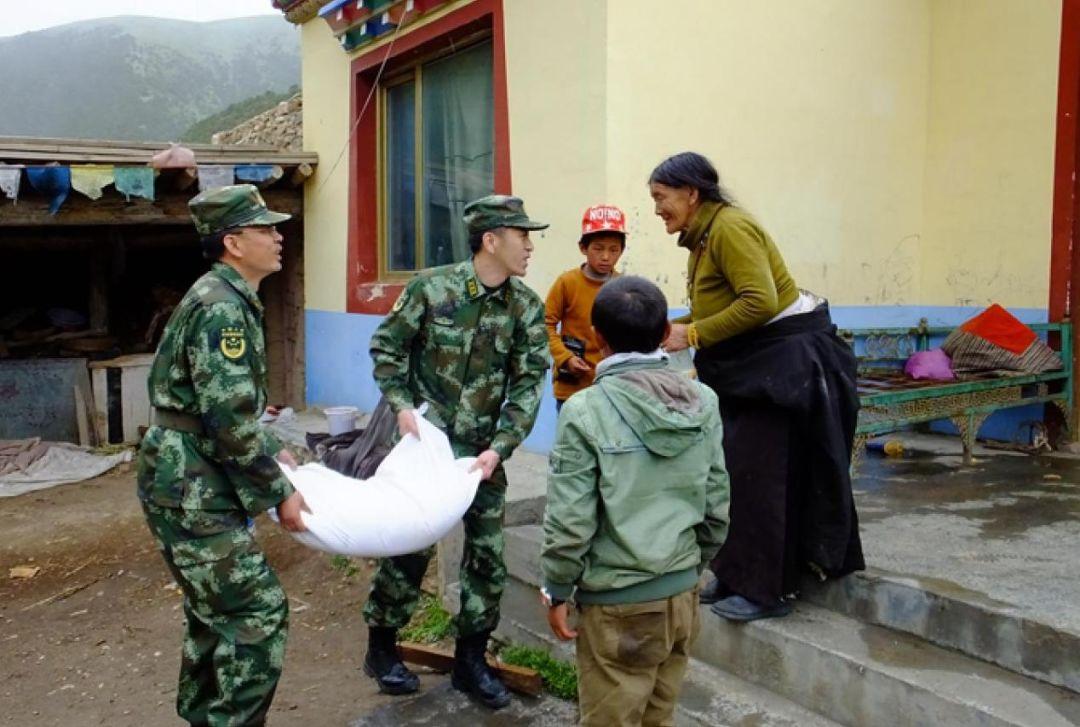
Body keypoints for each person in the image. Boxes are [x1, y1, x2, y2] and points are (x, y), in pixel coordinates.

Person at [649, 151, 864, 622]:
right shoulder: (704, 238)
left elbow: (760, 301)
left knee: (760, 479)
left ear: (692, 193)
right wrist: (674, 326)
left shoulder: (730, 229)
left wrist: (695, 334)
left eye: (662, 198)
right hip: (754, 370)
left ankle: (768, 590)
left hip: (781, 369)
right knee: (733, 477)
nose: (658, 210)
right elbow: (722, 304)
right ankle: (736, 572)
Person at [361, 194, 550, 710]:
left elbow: (529, 386)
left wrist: (500, 448)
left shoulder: (526, 308)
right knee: (408, 548)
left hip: (483, 455)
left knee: (486, 558)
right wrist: (401, 406)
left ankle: (470, 661)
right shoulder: (432, 288)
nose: (530, 246)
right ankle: (381, 648)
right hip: (426, 448)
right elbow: (387, 348)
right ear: (491, 240)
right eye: (522, 235)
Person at [136, 184, 308, 726]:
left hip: (191, 477)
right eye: (266, 229)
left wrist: (276, 451)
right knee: (256, 610)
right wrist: (280, 491)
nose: (279, 237)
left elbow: (232, 410)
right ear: (233, 242)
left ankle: (204, 716)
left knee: (216, 610)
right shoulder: (223, 310)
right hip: (192, 485)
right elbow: (228, 420)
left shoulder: (225, 296)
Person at [539, 275, 730, 726]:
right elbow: (717, 505)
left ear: (597, 338)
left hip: (617, 606)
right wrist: (689, 568)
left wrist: (557, 589)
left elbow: (570, 521)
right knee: (658, 717)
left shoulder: (585, 411)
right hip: (682, 596)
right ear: (666, 332)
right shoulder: (703, 401)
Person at [544, 204, 627, 410]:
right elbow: (545, 325)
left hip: (612, 387)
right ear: (583, 248)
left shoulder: (624, 287)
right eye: (598, 248)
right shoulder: (566, 283)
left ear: (622, 250)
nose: (606, 256)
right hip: (572, 388)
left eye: (614, 250)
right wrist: (565, 358)